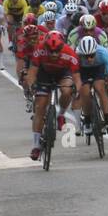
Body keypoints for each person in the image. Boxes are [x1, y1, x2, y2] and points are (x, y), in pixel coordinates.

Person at [24, 31, 79, 161]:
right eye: (51, 51)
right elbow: (32, 72)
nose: (54, 54)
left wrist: (76, 90)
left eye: (57, 51)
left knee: (67, 91)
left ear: (62, 47)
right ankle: (36, 145)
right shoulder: (39, 50)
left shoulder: (70, 53)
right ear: (46, 47)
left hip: (63, 73)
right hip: (44, 74)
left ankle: (61, 115)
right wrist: (32, 86)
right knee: (40, 108)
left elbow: (77, 77)